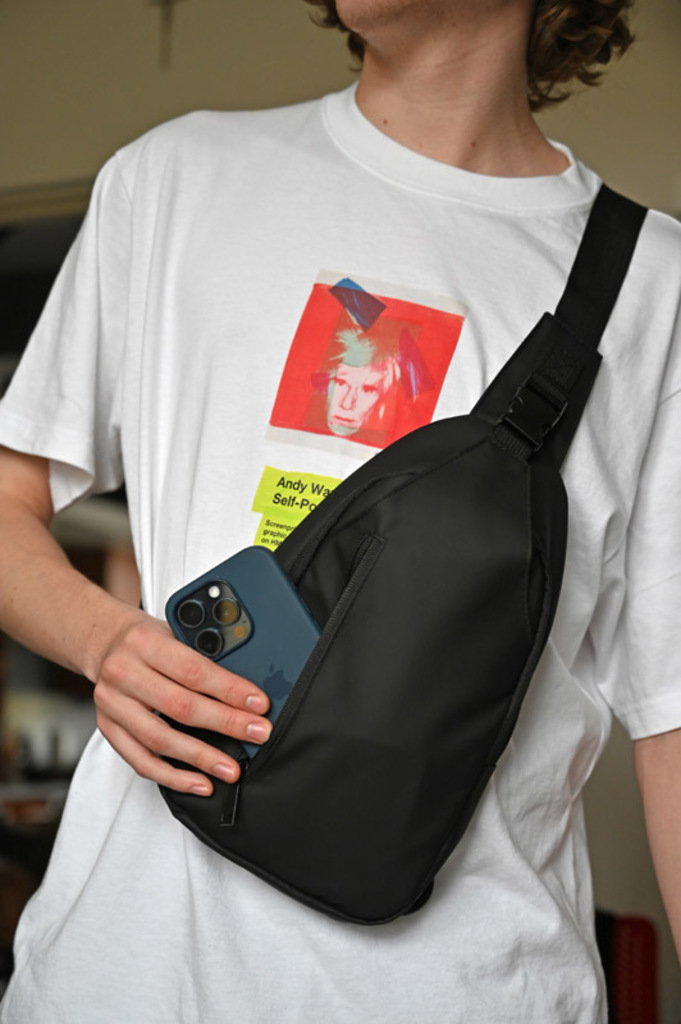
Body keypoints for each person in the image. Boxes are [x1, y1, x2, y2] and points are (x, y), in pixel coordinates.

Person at [0, 0, 680, 1020]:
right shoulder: (177, 176)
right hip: (122, 978)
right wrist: (104, 641)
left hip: (466, 993)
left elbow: (673, 721)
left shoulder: (653, 287)